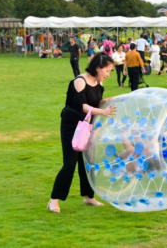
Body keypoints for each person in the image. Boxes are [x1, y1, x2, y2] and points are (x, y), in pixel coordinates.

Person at [48, 53, 117, 213]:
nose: (107, 74)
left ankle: (88, 197)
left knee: (87, 162)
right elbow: (81, 105)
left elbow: (93, 102)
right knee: (70, 163)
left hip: (86, 125)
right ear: (98, 68)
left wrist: (104, 102)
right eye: (107, 71)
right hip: (71, 125)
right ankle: (53, 200)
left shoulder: (99, 84)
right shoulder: (80, 81)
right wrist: (102, 111)